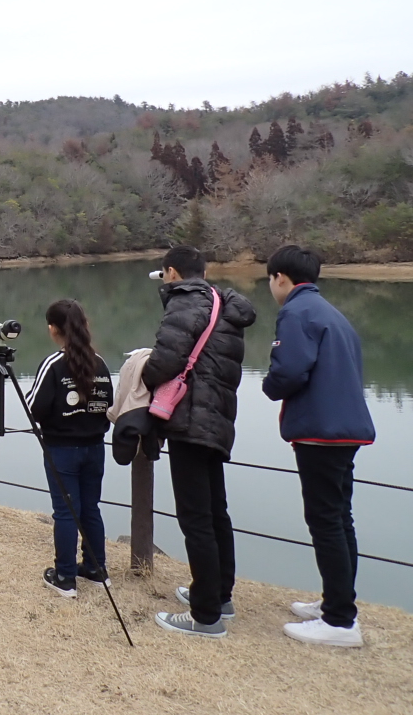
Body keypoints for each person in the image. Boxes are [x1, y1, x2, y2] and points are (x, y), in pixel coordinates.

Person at [262, 245, 374, 649]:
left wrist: (268, 385)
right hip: (347, 429)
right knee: (340, 518)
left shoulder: (296, 312)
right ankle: (337, 603)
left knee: (325, 520)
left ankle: (340, 623)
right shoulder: (330, 312)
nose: (270, 287)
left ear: (281, 278)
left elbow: (288, 370)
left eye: (269, 279)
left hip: (320, 432)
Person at [143, 245, 256, 639]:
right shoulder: (224, 302)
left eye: (164, 273)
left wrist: (144, 373)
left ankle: (205, 615)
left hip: (190, 419)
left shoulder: (186, 303)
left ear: (172, 272)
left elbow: (166, 360)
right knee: (215, 511)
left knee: (195, 518)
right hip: (218, 418)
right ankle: (219, 594)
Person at [25, 299, 114, 597]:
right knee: (90, 508)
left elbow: (33, 408)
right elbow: (107, 406)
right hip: (95, 448)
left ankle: (64, 576)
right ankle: (96, 568)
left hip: (61, 449)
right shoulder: (99, 362)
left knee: (65, 512)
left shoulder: (53, 364)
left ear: (53, 329)